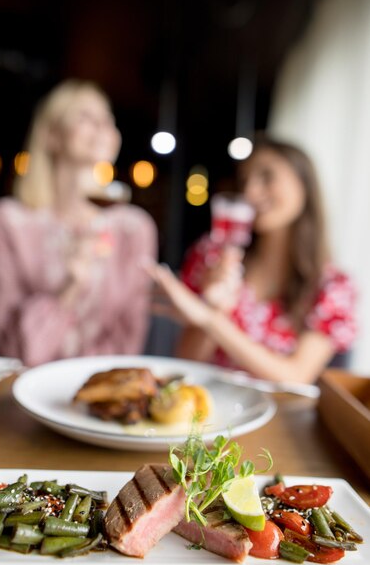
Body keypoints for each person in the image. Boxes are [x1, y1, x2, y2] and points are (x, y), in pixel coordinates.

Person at [147, 136, 356, 384]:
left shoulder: (334, 286)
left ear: (305, 185)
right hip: (210, 409)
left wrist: (211, 319)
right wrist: (216, 306)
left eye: (266, 177)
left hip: (281, 418)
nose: (250, 192)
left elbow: (296, 377)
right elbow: (187, 362)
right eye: (245, 181)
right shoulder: (213, 256)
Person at [0, 79, 157, 366]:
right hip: (26, 391)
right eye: (86, 117)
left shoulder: (135, 229)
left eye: (108, 119)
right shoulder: (8, 222)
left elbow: (129, 343)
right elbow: (11, 350)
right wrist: (69, 289)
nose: (102, 128)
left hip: (102, 398)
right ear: (51, 135)